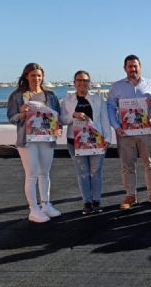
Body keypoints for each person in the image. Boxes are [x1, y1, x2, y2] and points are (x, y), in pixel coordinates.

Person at [6, 63, 62, 223]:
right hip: (27, 140)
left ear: (42, 77)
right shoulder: (17, 95)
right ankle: (34, 209)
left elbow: (57, 117)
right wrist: (22, 115)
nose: (36, 78)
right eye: (32, 75)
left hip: (46, 138)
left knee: (45, 173)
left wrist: (58, 128)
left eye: (39, 75)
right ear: (26, 76)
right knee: (31, 175)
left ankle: (46, 205)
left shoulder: (50, 95)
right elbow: (11, 117)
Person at [107, 55, 151, 210]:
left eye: (135, 66)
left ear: (140, 67)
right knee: (127, 165)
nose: (133, 69)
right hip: (125, 132)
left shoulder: (150, 84)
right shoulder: (117, 87)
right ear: (125, 68)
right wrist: (116, 126)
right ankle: (130, 195)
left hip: (147, 131)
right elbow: (111, 107)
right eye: (130, 66)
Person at [60, 70, 111, 214]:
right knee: (83, 172)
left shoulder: (98, 99)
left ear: (90, 82)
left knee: (96, 172)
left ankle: (97, 201)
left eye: (85, 80)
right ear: (74, 82)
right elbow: (62, 120)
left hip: (96, 140)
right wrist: (73, 115)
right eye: (79, 80)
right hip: (75, 141)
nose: (82, 83)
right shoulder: (67, 100)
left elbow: (104, 119)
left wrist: (107, 138)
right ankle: (87, 202)